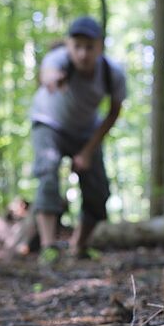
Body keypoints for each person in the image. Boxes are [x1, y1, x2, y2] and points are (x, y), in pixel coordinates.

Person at [30, 16, 127, 262]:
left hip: (85, 131)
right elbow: (47, 73)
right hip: (48, 122)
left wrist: (87, 151)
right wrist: (52, 79)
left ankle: (79, 247)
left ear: (100, 47)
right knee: (48, 172)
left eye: (89, 47)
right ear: (68, 45)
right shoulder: (58, 59)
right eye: (77, 46)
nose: (83, 54)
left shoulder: (112, 73)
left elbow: (114, 112)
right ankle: (49, 247)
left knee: (98, 191)